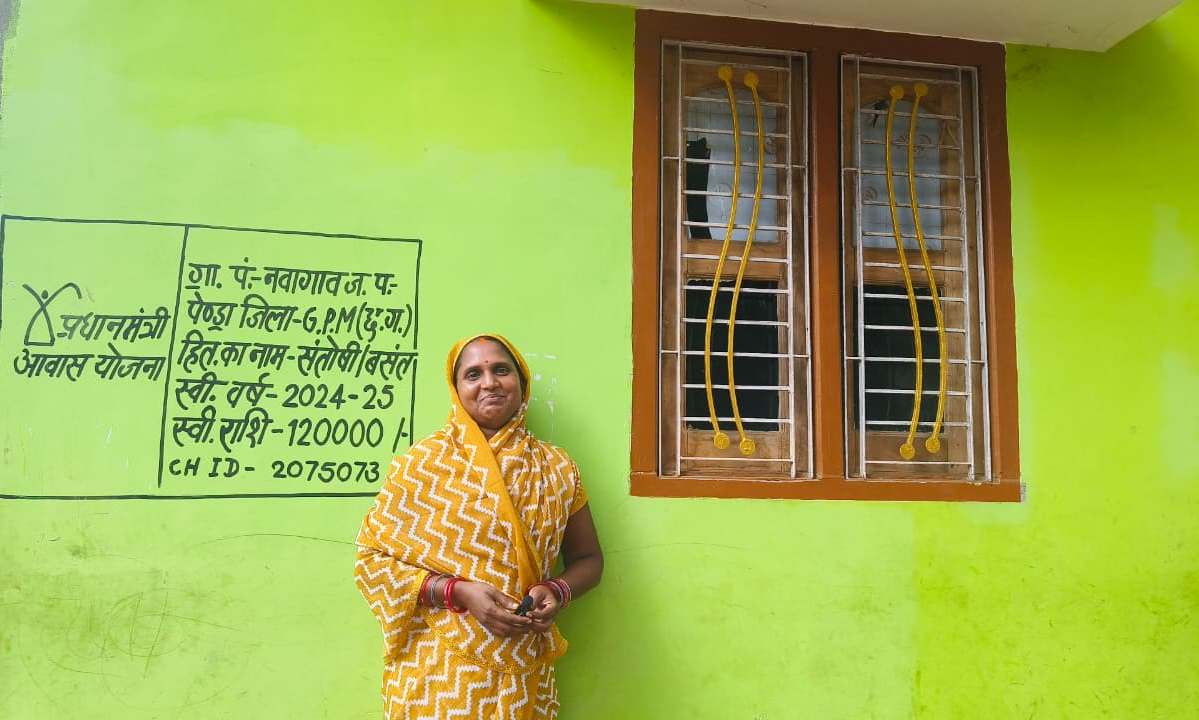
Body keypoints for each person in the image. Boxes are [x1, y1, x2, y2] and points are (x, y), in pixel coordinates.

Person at [354, 334, 603, 719]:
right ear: (456, 390)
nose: (489, 382)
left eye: (501, 370)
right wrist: (457, 592)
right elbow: (370, 563)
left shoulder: (557, 468)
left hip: (524, 675)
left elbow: (588, 559)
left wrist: (556, 591)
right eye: (473, 374)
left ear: (521, 382)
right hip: (438, 677)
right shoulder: (422, 464)